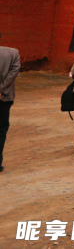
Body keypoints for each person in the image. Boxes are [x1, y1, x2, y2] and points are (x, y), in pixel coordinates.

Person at [0, 33, 20, 172]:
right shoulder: (13, 53)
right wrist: (2, 88)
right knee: (1, 130)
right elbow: (14, 71)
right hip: (4, 97)